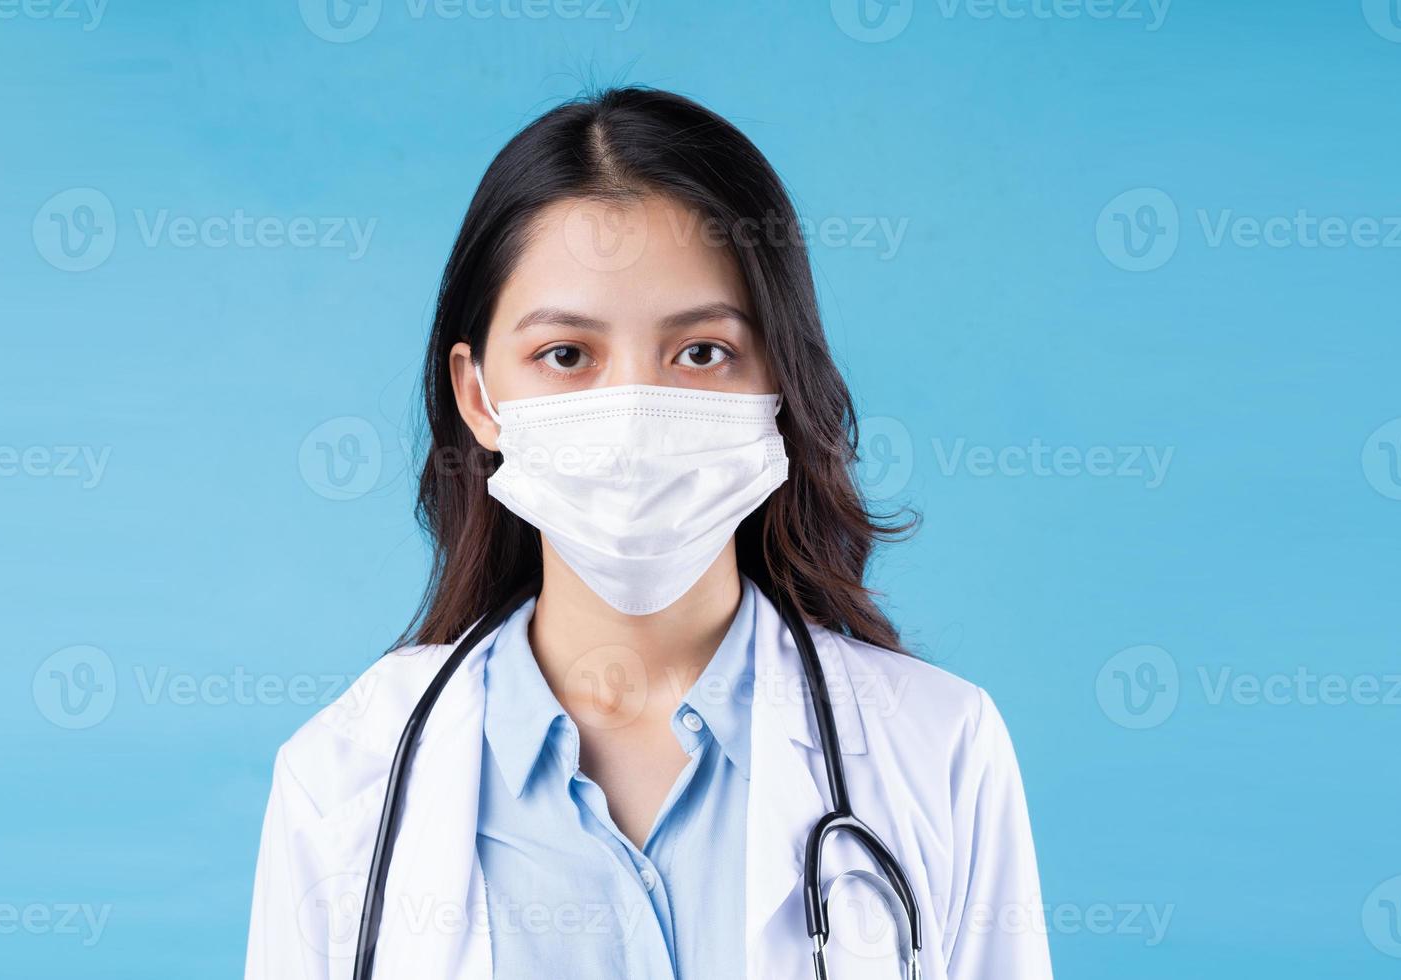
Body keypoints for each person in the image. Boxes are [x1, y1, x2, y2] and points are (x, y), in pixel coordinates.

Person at [246, 86, 1052, 980]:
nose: (631, 416)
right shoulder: (343, 777)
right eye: (567, 356)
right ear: (480, 398)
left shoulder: (938, 748)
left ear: (779, 381)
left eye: (700, 353)